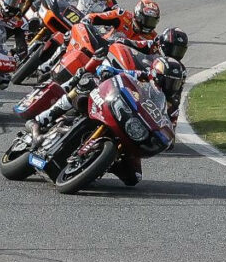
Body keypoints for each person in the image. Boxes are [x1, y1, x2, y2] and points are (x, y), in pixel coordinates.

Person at [31, 56, 186, 186]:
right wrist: (108, 71)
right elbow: (120, 73)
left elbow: (170, 131)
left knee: (134, 178)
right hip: (115, 109)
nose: (172, 86)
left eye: (176, 83)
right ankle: (47, 117)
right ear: (156, 74)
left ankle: (102, 163)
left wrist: (167, 140)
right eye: (169, 81)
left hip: (133, 130)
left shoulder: (172, 106)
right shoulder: (142, 76)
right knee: (86, 84)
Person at [84, 0, 160, 42]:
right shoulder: (123, 15)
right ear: (138, 16)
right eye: (147, 21)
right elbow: (97, 17)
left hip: (127, 64)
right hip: (105, 48)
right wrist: (88, 20)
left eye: (152, 22)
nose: (149, 25)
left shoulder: (154, 38)